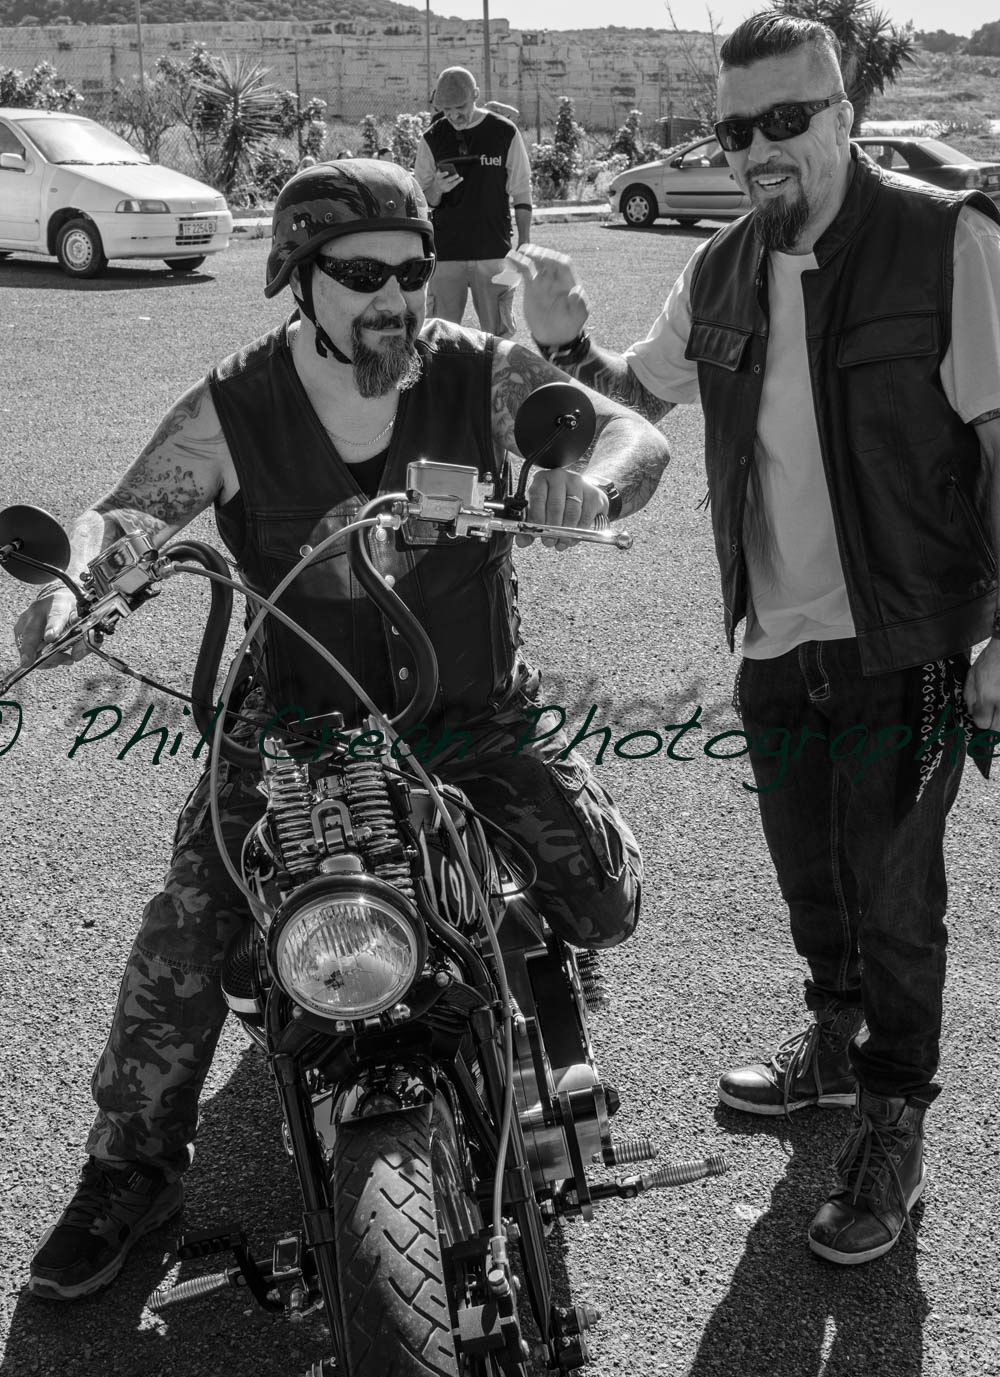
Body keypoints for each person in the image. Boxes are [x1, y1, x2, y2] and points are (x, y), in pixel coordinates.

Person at [15, 158, 670, 1301]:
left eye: (412, 272)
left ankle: (519, 950)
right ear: (297, 277)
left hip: (472, 711)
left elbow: (629, 438)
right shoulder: (236, 405)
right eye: (363, 275)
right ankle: (130, 1168)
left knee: (603, 904)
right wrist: (78, 590)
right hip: (297, 721)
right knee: (191, 925)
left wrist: (592, 486)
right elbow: (126, 515)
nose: (395, 298)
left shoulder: (479, 372)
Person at [511, 11, 1000, 1266]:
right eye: (736, 129)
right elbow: (633, 400)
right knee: (809, 872)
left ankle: (892, 1123)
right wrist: (564, 339)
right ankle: (835, 1043)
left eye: (786, 119)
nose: (759, 148)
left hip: (908, 632)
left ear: (843, 112)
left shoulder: (945, 242)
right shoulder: (722, 268)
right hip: (774, 636)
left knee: (896, 894)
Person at [414, 66, 533, 337]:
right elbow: (423, 200)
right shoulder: (431, 138)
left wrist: (525, 240)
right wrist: (437, 189)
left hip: (493, 251)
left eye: (461, 107)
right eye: (447, 110)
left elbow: (521, 190)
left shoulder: (505, 132)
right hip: (446, 254)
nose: (454, 116)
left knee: (498, 337)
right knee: (439, 337)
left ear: (476, 95)